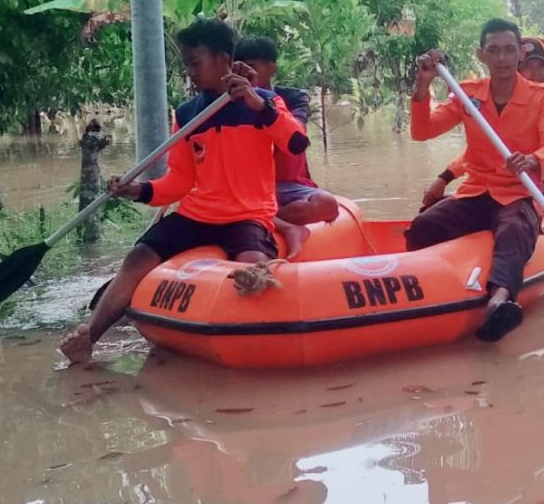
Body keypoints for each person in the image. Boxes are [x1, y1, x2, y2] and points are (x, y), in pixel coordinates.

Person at [59, 19, 308, 365]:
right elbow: (179, 181)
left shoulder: (264, 102)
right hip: (198, 214)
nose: (189, 72)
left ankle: (260, 351)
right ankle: (89, 335)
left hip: (248, 215)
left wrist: (257, 103)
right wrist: (138, 190)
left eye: (196, 63)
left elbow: (296, 143)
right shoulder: (189, 113)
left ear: (223, 59)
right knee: (138, 258)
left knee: (251, 273)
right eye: (186, 64)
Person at [407, 18, 544, 342]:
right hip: (475, 191)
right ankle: (430, 290)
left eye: (509, 51)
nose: (502, 59)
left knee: (515, 229)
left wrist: (534, 159)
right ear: (481, 55)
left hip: (518, 191)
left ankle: (499, 300)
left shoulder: (541, 95)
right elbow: (423, 131)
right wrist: (423, 87)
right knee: (423, 226)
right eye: (494, 51)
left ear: (520, 53)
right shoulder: (468, 94)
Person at [422, 36, 544, 209]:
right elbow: (482, 148)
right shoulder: (501, 100)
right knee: (433, 209)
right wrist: (446, 177)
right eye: (528, 66)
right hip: (504, 183)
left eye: (540, 66)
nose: (534, 72)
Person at [233, 36, 340, 258]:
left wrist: (263, 107)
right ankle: (273, 222)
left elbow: (295, 138)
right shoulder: (231, 101)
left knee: (327, 205)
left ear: (272, 68)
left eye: (252, 66)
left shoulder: (293, 97)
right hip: (250, 187)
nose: (246, 73)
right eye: (240, 67)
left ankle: (261, 219)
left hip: (288, 184)